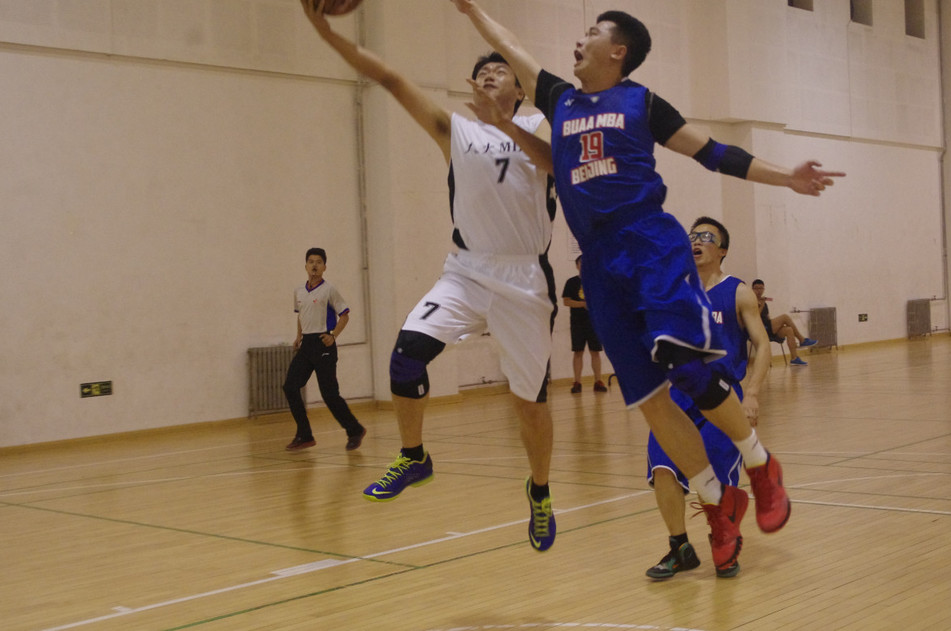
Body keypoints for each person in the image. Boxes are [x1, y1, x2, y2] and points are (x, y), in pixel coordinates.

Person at [452, 0, 844, 574]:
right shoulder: (560, 99)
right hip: (598, 263)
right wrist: (470, 10)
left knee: (686, 367)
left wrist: (785, 176)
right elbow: (511, 46)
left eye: (592, 32)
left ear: (618, 51)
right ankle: (717, 504)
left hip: (649, 243)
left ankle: (761, 465)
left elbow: (714, 153)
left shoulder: (642, 103)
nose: (579, 39)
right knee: (650, 401)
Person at [300, 0, 559, 551]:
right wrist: (324, 33)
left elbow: (557, 165)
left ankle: (539, 490)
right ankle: (414, 457)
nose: (491, 75)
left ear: (520, 87)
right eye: (483, 71)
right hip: (466, 270)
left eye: (502, 70)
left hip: (525, 280)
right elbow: (389, 77)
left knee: (529, 404)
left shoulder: (540, 124)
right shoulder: (455, 130)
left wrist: (505, 120)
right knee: (406, 357)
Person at [646, 217, 770, 579]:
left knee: (715, 479)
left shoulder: (738, 292)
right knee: (663, 468)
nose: (696, 241)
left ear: (723, 250)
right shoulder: (676, 290)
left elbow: (762, 344)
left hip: (722, 396)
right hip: (678, 396)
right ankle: (679, 548)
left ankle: (724, 540)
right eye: (692, 236)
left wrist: (753, 393)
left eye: (706, 236)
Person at [284, 247, 367, 451]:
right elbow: (301, 315)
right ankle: (305, 435)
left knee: (329, 394)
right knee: (290, 386)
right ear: (305, 266)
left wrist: (333, 335)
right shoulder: (299, 291)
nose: (314, 265)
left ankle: (354, 430)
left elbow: (345, 315)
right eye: (311, 261)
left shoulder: (329, 290)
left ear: (324, 267)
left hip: (324, 344)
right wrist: (298, 336)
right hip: (307, 345)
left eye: (319, 262)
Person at [562, 255, 607, 394]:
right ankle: (577, 382)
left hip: (594, 322)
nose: (584, 265)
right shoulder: (571, 282)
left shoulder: (596, 281)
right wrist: (582, 304)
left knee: (595, 352)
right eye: (581, 263)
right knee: (578, 352)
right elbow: (566, 301)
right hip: (577, 323)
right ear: (577, 266)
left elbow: (602, 299)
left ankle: (598, 381)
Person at [751, 279, 818, 366]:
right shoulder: (751, 302)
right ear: (752, 289)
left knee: (789, 330)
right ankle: (802, 340)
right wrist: (762, 304)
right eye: (756, 288)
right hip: (759, 329)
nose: (759, 291)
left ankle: (794, 358)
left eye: (761, 288)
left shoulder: (764, 303)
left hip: (768, 328)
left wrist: (778, 325)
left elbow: (767, 318)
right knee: (785, 317)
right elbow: (754, 317)